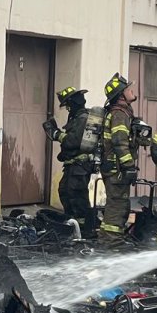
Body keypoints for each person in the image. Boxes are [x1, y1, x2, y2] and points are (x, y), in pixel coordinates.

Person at [45, 86, 99, 237]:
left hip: (80, 166)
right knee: (65, 191)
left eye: (68, 105)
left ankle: (84, 230)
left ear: (73, 103)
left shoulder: (82, 119)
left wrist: (56, 134)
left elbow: (73, 142)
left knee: (76, 196)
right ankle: (73, 225)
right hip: (74, 165)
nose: (68, 109)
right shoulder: (77, 118)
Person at [99, 72, 138, 245]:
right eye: (128, 88)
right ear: (121, 94)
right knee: (117, 205)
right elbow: (119, 141)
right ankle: (112, 243)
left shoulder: (119, 112)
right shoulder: (120, 113)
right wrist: (129, 165)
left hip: (113, 167)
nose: (131, 90)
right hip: (116, 169)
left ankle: (109, 239)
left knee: (116, 203)